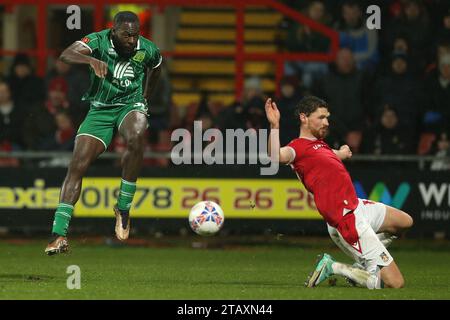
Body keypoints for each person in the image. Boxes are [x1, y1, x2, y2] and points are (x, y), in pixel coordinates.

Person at [264, 96, 413, 289]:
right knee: (395, 283)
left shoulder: (319, 146)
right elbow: (276, 156)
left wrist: (342, 152)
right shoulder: (297, 148)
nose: (326, 122)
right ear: (304, 118)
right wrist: (275, 125)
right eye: (321, 117)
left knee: (404, 222)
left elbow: (329, 155)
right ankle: (334, 267)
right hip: (347, 220)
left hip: (356, 206)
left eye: (327, 117)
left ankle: (362, 263)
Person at [45, 11, 162, 255]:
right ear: (113, 31)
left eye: (135, 35)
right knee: (77, 165)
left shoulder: (147, 48)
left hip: (130, 105)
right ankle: (58, 235)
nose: (131, 40)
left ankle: (123, 207)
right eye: (126, 35)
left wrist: (145, 97)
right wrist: (90, 60)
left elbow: (157, 67)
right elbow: (66, 55)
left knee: (137, 134)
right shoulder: (98, 41)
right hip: (99, 109)